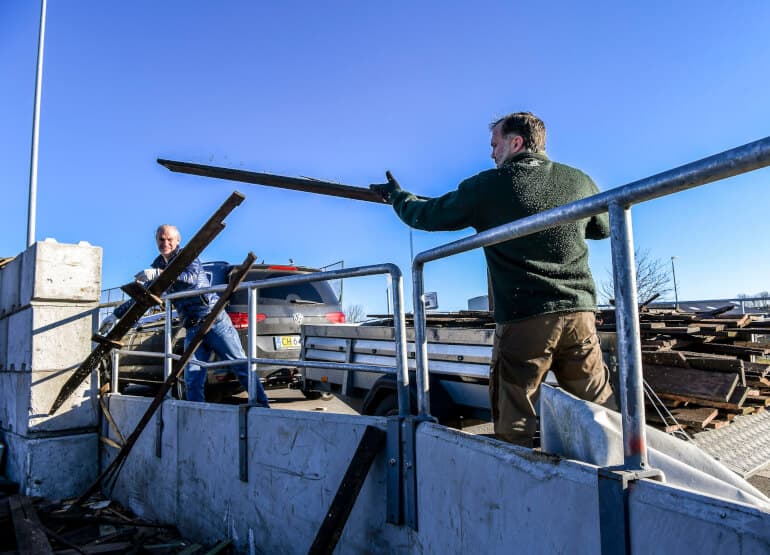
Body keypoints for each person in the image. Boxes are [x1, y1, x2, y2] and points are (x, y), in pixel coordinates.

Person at [370, 111, 615, 446]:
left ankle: (519, 486)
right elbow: (603, 227)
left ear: (515, 142)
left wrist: (396, 196)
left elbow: (424, 215)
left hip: (525, 317)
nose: (491, 153)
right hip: (580, 315)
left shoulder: (487, 186)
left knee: (515, 411)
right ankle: (619, 474)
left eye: (495, 144)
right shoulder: (579, 180)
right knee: (598, 408)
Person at [113, 224, 270, 406]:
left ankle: (262, 404)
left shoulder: (188, 257)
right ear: (156, 241)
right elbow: (148, 293)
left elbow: (191, 278)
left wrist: (159, 274)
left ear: (178, 241)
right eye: (161, 239)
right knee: (192, 376)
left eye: (170, 239)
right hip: (193, 327)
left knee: (239, 364)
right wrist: (117, 314)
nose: (166, 243)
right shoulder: (158, 265)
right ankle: (197, 413)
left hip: (214, 321)